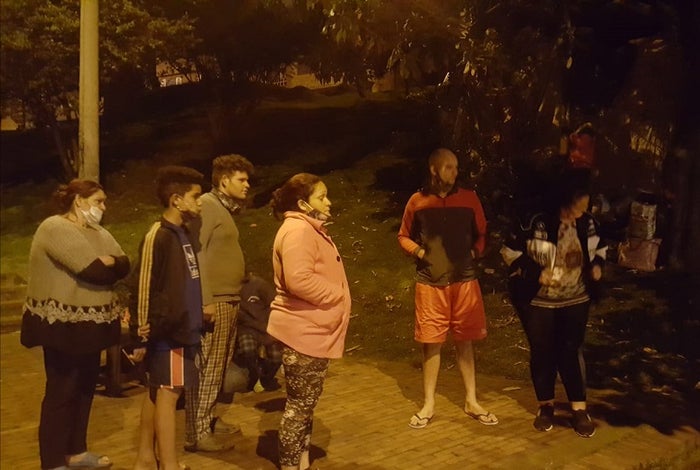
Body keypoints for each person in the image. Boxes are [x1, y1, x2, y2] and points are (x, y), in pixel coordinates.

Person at [20, 179, 130, 470]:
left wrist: (112, 262)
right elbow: (92, 271)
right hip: (63, 325)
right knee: (62, 390)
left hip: (91, 324)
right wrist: (107, 264)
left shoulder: (98, 232)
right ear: (79, 201)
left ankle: (76, 451)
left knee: (84, 388)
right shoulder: (55, 228)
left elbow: (125, 264)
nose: (103, 207)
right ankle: (53, 460)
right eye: (98, 201)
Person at [500, 168, 606, 438]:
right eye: (578, 206)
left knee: (571, 351)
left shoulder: (587, 222)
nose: (582, 212)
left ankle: (579, 409)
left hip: (576, 297)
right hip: (539, 301)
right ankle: (545, 406)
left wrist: (597, 265)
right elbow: (509, 251)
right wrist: (536, 272)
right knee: (543, 352)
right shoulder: (535, 221)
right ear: (566, 198)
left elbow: (600, 248)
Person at [398, 148, 498, 429]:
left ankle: (471, 400)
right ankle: (428, 403)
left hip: (464, 280)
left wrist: (474, 253)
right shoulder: (417, 201)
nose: (455, 172)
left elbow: (482, 233)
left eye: (456, 167)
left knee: (465, 340)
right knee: (431, 342)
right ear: (434, 169)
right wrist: (420, 252)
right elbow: (403, 235)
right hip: (430, 282)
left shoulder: (469, 198)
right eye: (449, 167)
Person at [267, 173, 351, 470]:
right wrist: (336, 295)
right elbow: (299, 279)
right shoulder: (298, 231)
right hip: (303, 332)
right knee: (299, 407)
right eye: (321, 197)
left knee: (304, 404)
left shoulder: (306, 228)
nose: (328, 202)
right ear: (303, 204)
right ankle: (291, 465)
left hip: (311, 330)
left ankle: (301, 463)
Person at [129, 166, 204, 470]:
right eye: (195, 196)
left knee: (157, 391)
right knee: (169, 393)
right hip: (169, 331)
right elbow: (143, 286)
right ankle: (169, 465)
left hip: (184, 326)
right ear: (176, 199)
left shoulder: (182, 233)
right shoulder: (158, 235)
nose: (200, 202)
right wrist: (140, 333)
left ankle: (146, 457)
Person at [184, 154, 254, 452]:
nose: (247, 185)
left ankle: (208, 418)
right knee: (208, 366)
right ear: (224, 181)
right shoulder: (209, 206)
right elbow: (195, 251)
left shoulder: (223, 210)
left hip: (229, 297)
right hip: (216, 300)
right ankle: (197, 432)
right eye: (241, 179)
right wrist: (205, 299)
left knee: (219, 364)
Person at [234, 273, 283, 393]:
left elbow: (275, 304)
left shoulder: (261, 285)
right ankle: (255, 375)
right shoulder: (233, 288)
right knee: (248, 351)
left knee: (277, 357)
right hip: (247, 328)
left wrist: (273, 327)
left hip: (265, 327)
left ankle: (266, 378)